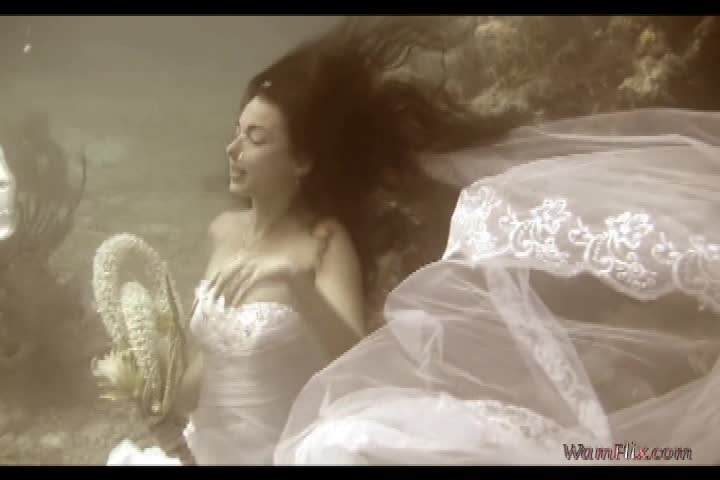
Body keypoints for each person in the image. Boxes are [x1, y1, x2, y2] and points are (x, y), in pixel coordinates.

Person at [108, 17, 720, 465]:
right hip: (210, 449)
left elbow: (352, 358)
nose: (232, 149)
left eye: (256, 138)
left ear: (302, 161)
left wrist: (299, 288)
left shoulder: (324, 243)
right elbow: (209, 367)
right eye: (237, 132)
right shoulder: (221, 232)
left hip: (284, 450)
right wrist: (151, 386)